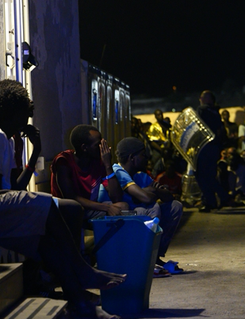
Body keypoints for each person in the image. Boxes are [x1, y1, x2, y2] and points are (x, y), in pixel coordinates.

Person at [0, 79, 126, 319]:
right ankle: (82, 269)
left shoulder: (6, 141)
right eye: (24, 116)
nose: (26, 123)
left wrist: (34, 151)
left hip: (4, 207)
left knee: (57, 227)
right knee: (50, 203)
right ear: (11, 113)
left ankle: (79, 300)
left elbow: (15, 188)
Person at [98, 137, 184, 272]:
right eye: (143, 155)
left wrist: (154, 191)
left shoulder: (140, 176)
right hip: (111, 219)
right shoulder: (117, 170)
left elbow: (168, 196)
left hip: (132, 218)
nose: (147, 158)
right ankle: (143, 259)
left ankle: (154, 256)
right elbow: (146, 197)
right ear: (132, 157)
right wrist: (148, 194)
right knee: (149, 208)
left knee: (175, 207)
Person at [51, 125, 129, 229]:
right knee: (75, 209)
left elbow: (116, 197)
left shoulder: (97, 161)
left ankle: (114, 244)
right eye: (98, 145)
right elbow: (70, 197)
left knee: (123, 207)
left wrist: (107, 165)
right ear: (84, 148)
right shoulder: (63, 161)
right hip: (67, 210)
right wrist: (106, 207)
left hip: (88, 208)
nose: (103, 148)